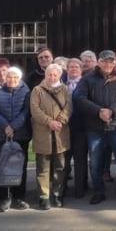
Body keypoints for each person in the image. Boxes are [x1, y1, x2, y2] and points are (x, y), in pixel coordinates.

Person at [74, 50, 116, 205]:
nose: (108, 64)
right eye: (105, 61)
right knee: (95, 162)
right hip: (95, 127)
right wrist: (98, 111)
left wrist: (112, 111)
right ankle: (99, 191)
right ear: (99, 62)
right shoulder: (87, 79)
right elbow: (79, 98)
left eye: (111, 61)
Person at [30, 63, 71, 210]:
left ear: (59, 76)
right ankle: (44, 196)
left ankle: (57, 194)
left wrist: (60, 121)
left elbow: (68, 107)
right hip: (43, 133)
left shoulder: (65, 89)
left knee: (60, 167)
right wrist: (49, 122)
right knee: (43, 167)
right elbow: (35, 109)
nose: (52, 77)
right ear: (45, 75)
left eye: (55, 74)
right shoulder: (37, 90)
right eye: (49, 74)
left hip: (60, 134)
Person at [0, 66, 31, 211]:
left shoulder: (26, 92)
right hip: (2, 135)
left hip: (20, 134)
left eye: (15, 77)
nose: (12, 79)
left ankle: (19, 197)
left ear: (19, 78)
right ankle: (5, 197)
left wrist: (13, 126)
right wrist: (6, 127)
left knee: (21, 166)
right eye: (9, 76)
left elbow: (26, 112)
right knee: (3, 165)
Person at [65, 58, 89, 198]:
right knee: (65, 159)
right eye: (71, 67)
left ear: (81, 70)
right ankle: (63, 187)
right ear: (67, 69)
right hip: (65, 127)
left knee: (80, 158)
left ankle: (80, 188)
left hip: (81, 126)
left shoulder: (86, 84)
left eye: (76, 67)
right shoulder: (61, 84)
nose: (73, 69)